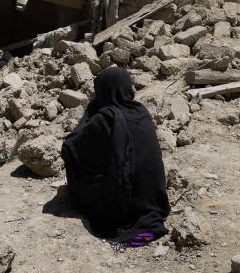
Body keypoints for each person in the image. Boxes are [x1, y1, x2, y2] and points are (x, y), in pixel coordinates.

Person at [61, 66, 170, 246]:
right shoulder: (140, 110)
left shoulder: (105, 118)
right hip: (155, 202)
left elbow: (69, 149)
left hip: (125, 210)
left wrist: (90, 112)